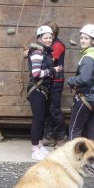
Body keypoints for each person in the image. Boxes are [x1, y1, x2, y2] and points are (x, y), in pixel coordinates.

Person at [27, 25, 63, 161]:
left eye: (50, 37)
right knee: (38, 119)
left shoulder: (44, 52)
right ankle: (35, 148)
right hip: (37, 89)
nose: (48, 40)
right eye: (45, 37)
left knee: (42, 119)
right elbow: (36, 73)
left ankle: (39, 144)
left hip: (42, 90)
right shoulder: (37, 52)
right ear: (39, 38)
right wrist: (53, 71)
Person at [67, 24, 94, 141]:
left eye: (86, 38)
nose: (83, 41)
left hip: (86, 97)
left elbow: (84, 78)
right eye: (82, 38)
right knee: (91, 131)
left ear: (93, 41)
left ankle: (72, 157)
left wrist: (71, 80)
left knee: (75, 129)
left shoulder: (88, 57)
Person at [42, 21, 66, 148]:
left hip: (56, 81)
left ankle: (61, 138)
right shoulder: (50, 44)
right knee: (48, 110)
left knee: (55, 110)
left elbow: (50, 61)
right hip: (49, 80)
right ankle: (49, 136)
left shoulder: (58, 45)